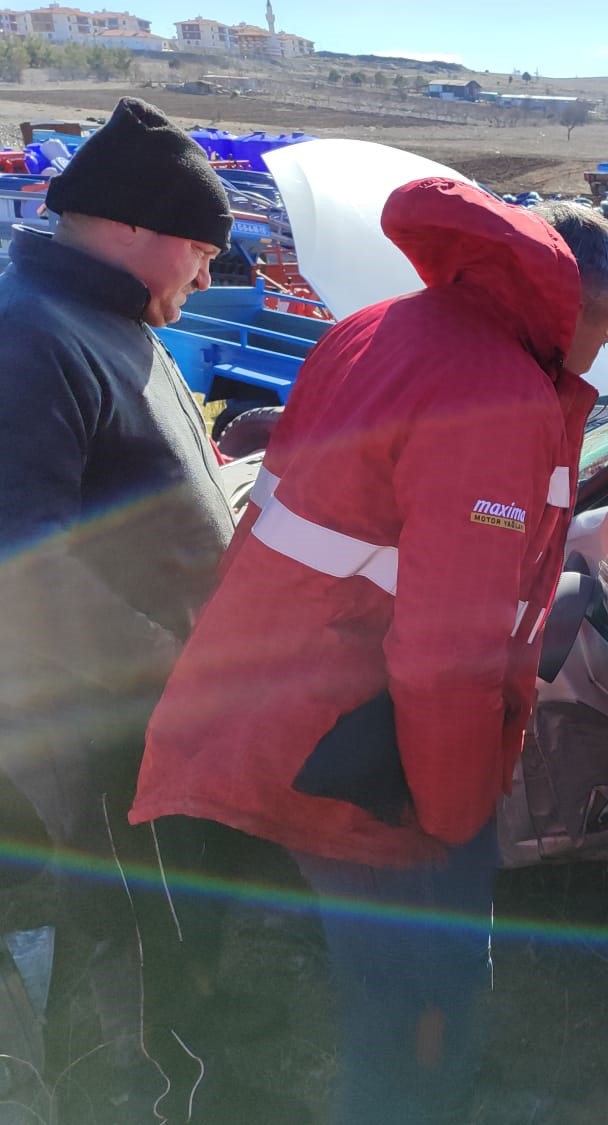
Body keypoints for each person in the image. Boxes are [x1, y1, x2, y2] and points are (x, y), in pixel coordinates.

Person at [130, 188, 608, 1125]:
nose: (606, 354)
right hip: (373, 755)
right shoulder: (495, 394)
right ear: (570, 298)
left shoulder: (377, 329)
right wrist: (450, 814)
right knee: (418, 993)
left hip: (289, 709)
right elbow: (447, 652)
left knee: (385, 975)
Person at [0, 96, 290, 1122]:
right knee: (137, 925)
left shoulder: (112, 322)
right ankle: (165, 1094)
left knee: (189, 911)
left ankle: (194, 1049)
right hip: (110, 725)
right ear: (128, 228)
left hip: (171, 706)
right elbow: (24, 569)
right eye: (202, 250)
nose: (209, 274)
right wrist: (171, 671)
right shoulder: (32, 339)